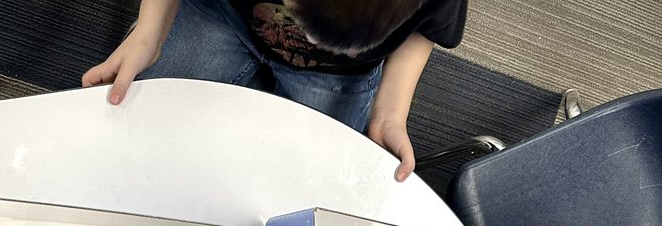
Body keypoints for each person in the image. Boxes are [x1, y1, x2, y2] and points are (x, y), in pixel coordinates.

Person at [81, 0, 467, 180]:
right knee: (129, 129)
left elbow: (426, 29)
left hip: (341, 75)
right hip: (225, 15)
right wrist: (151, 34)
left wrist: (389, 115)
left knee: (314, 186)